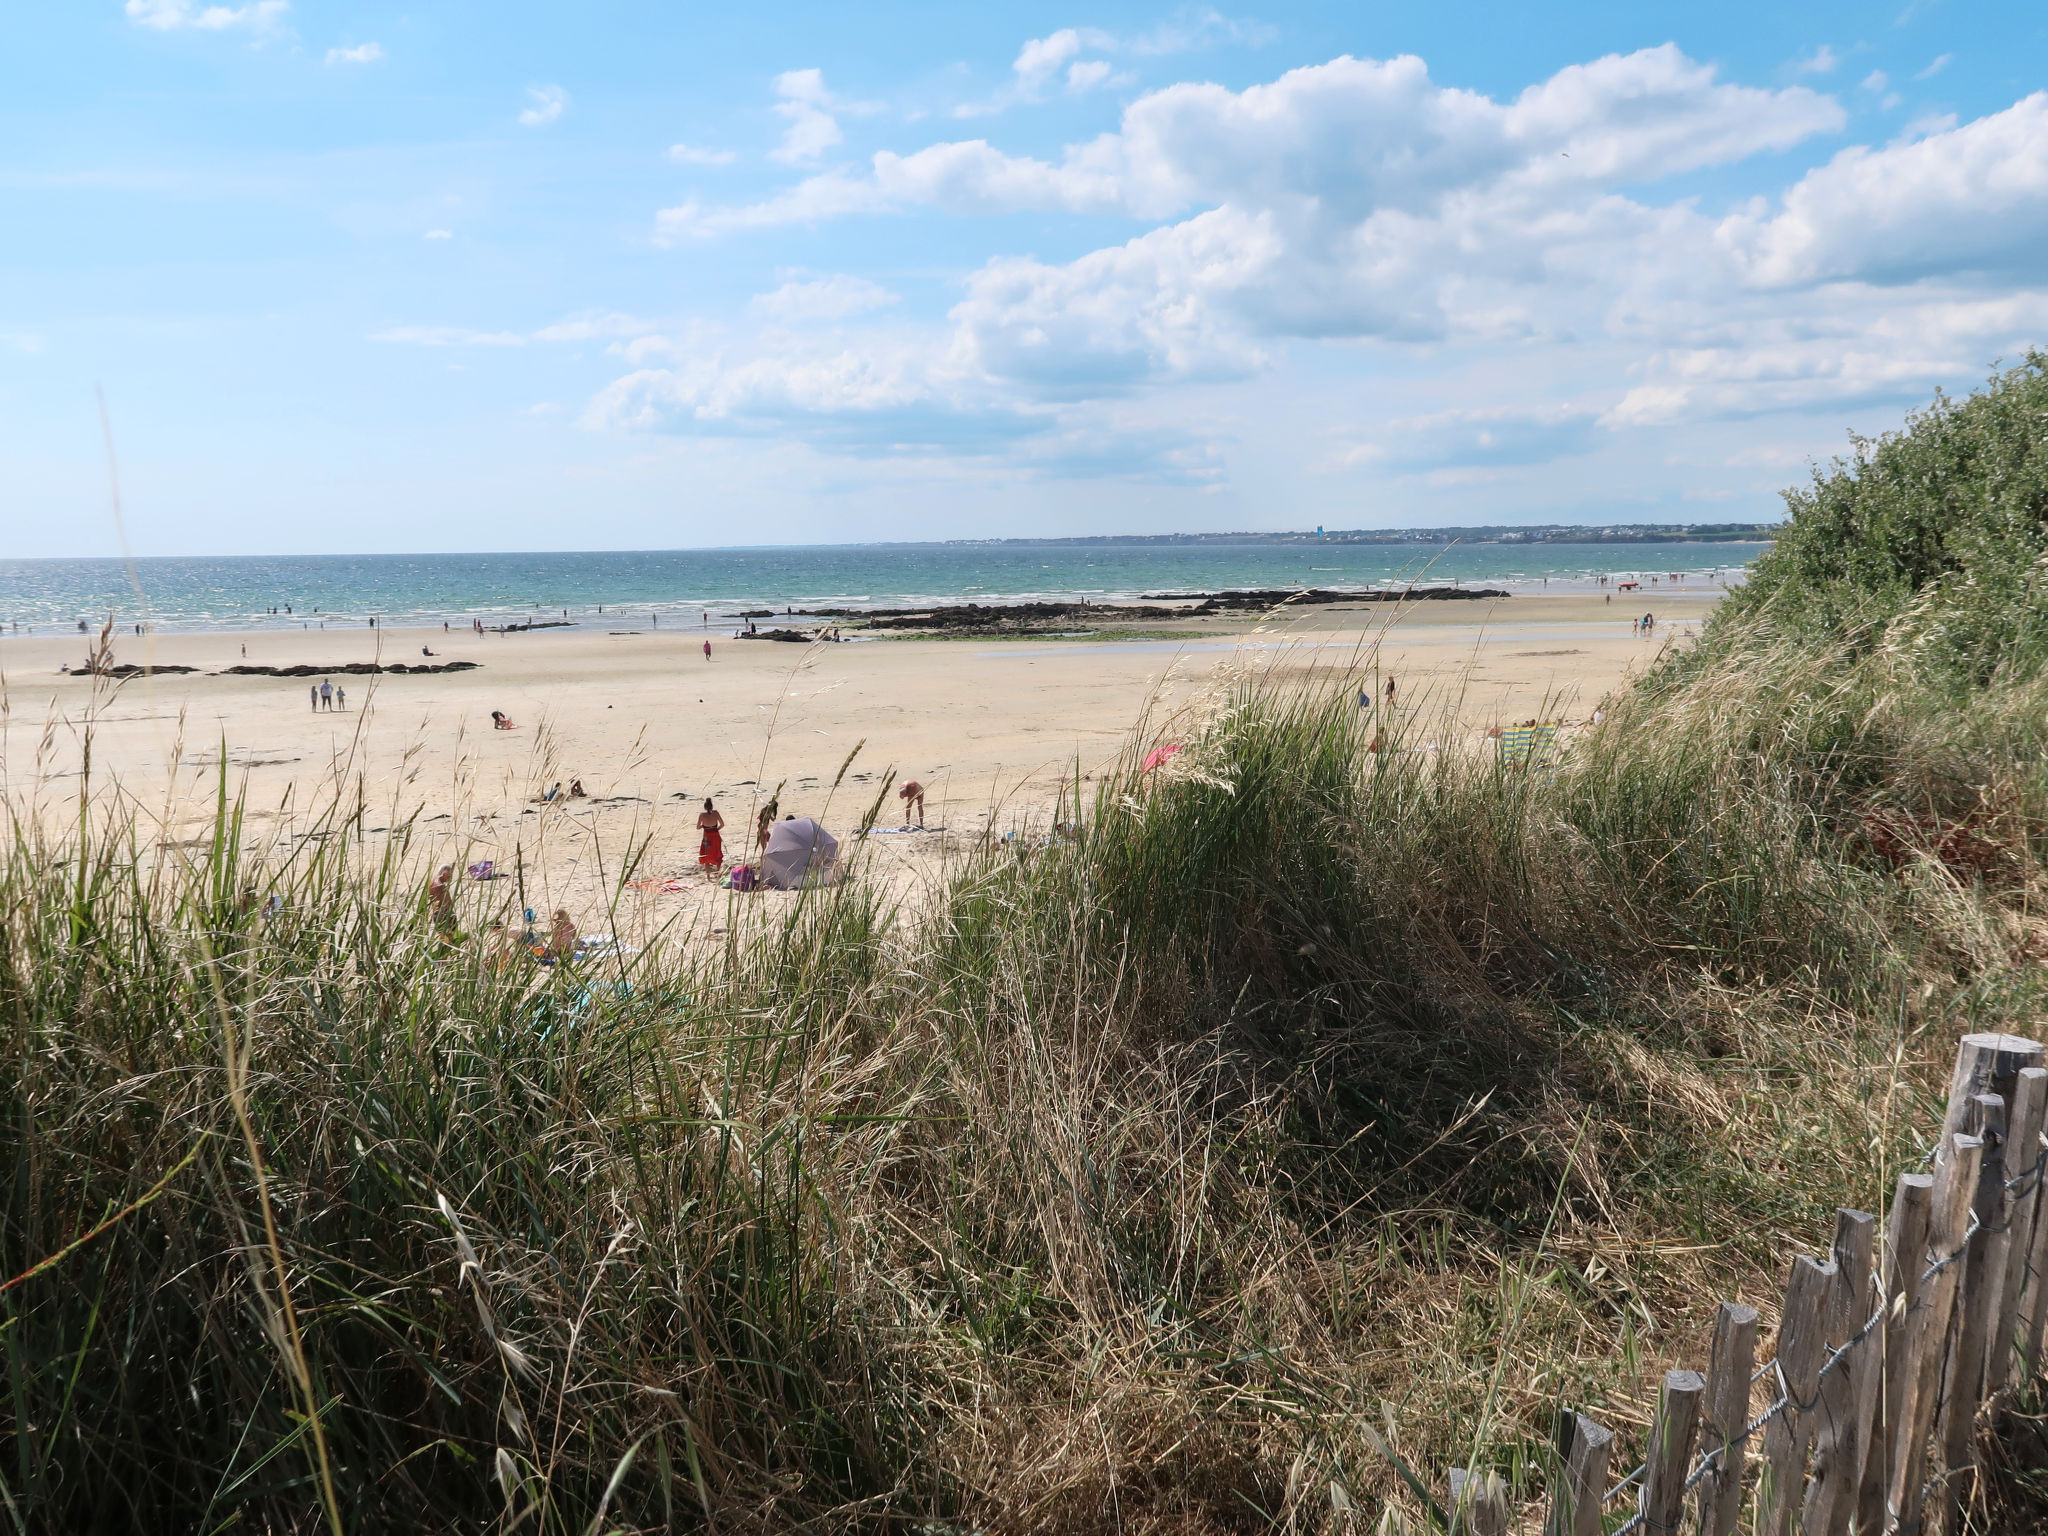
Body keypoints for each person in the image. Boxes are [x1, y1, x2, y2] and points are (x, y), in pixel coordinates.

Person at [427, 865, 458, 941]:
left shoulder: (433, 882)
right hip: (443, 914)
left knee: (443, 938)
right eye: (449, 875)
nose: (450, 877)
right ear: (444, 873)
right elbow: (444, 902)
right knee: (448, 938)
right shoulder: (439, 886)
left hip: (439, 914)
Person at [697, 798, 725, 872]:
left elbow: (697, 827)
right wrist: (716, 829)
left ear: (705, 807)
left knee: (706, 855)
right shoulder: (716, 813)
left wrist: (703, 826)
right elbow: (722, 824)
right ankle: (718, 874)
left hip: (707, 836)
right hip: (715, 836)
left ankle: (708, 876)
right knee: (717, 853)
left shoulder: (702, 815)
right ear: (712, 806)